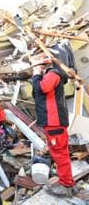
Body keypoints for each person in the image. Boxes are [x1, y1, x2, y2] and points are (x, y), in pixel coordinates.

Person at [31, 54, 75, 196]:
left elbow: (43, 88)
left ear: (42, 65)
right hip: (52, 122)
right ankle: (66, 183)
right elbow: (38, 91)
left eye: (36, 67)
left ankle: (66, 186)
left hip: (54, 122)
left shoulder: (53, 74)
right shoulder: (51, 75)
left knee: (60, 155)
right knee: (59, 154)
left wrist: (37, 74)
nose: (35, 70)